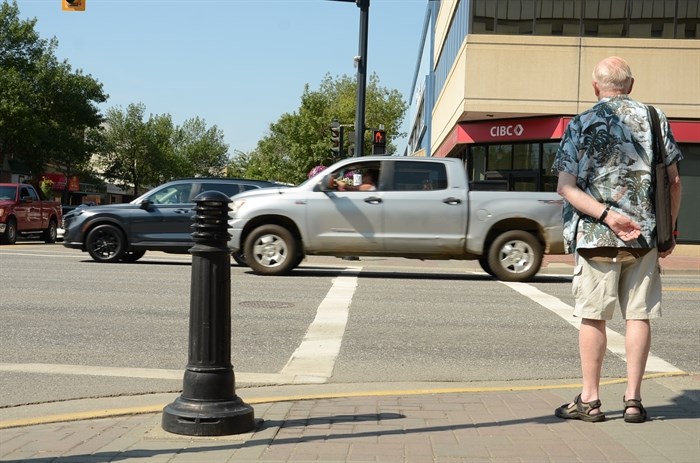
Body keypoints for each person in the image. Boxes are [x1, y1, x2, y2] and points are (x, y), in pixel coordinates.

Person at [551, 56, 682, 423]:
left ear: (596, 87)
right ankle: (633, 401)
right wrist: (668, 229)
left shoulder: (580, 123)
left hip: (596, 236)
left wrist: (607, 216)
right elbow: (672, 180)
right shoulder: (655, 118)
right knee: (638, 316)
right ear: (631, 84)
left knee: (593, 317)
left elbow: (566, 187)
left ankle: (590, 401)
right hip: (643, 237)